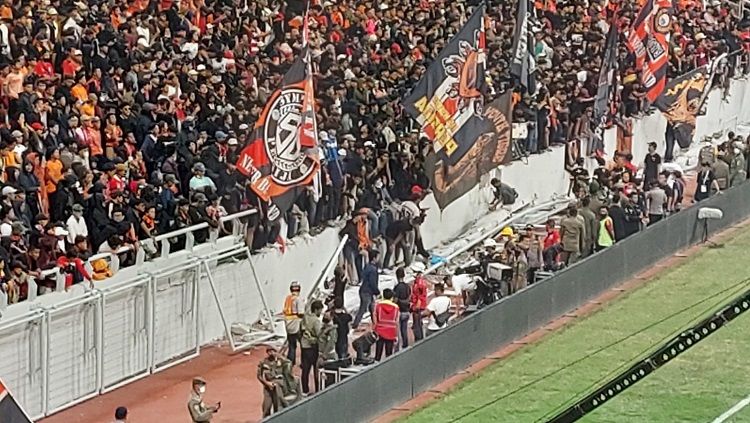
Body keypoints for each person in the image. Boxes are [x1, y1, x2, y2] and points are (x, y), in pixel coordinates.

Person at [300, 300, 324, 395]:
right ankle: (318, 389)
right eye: (320, 310)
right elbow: (319, 334)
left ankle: (305, 390)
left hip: (304, 345)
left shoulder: (305, 318)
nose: (320, 312)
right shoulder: (316, 321)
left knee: (305, 369)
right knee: (316, 369)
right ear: (316, 309)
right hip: (313, 347)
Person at [352, 249, 380, 329]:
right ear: (374, 258)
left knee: (371, 308)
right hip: (367, 292)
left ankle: (375, 323)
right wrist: (377, 292)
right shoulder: (373, 270)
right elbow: (373, 283)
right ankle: (355, 324)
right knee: (363, 309)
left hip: (365, 290)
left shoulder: (367, 266)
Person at [372, 288, 399, 360]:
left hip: (380, 330)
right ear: (391, 297)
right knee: (389, 353)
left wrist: (375, 327)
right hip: (391, 331)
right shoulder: (396, 307)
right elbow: (396, 321)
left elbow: (374, 316)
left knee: (378, 351)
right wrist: (396, 334)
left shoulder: (378, 305)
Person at [258, 347, 285, 417]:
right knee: (266, 406)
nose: (271, 353)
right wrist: (267, 383)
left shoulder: (281, 361)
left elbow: (287, 371)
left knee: (278, 407)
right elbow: (259, 376)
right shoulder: (263, 362)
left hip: (278, 387)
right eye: (269, 351)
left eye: (273, 351)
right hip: (268, 387)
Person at [282, 281, 304, 365]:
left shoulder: (288, 298)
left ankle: (290, 362)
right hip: (296, 325)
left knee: (291, 345)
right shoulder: (298, 299)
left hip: (288, 324)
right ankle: (304, 362)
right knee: (303, 344)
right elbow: (301, 313)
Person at [392, 267, 412, 349]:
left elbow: (395, 300)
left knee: (397, 331)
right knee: (404, 329)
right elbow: (410, 297)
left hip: (399, 311)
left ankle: (397, 347)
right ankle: (405, 344)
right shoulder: (407, 286)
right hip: (407, 311)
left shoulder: (397, 287)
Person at [409, 262, 428, 342]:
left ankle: (419, 340)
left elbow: (420, 296)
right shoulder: (417, 282)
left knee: (417, 325)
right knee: (417, 324)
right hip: (416, 306)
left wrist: (416, 307)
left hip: (418, 307)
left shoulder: (420, 283)